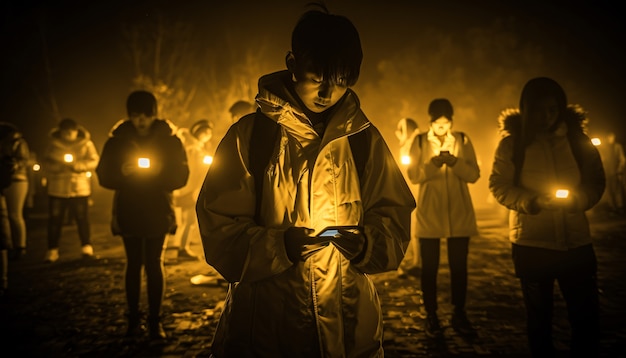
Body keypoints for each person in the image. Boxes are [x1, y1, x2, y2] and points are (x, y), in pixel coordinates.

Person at [196, 7, 415, 357]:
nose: (328, 91)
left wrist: (367, 247)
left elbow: (394, 217)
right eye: (317, 77)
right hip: (264, 325)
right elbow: (217, 228)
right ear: (292, 62)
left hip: (349, 325)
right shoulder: (251, 137)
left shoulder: (363, 140)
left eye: (342, 81)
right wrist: (279, 247)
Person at [489, 77, 605, 357]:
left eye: (552, 109)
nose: (546, 117)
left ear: (561, 108)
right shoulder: (512, 145)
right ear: (527, 110)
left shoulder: (578, 141)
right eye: (539, 110)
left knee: (585, 318)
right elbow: (499, 186)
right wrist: (532, 201)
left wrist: (579, 200)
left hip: (575, 243)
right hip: (532, 243)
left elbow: (596, 181)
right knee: (540, 321)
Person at [96, 90, 189, 340]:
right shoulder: (117, 140)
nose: (141, 121)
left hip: (158, 207)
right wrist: (121, 173)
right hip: (129, 207)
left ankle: (155, 320)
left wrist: (159, 172)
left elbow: (182, 175)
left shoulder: (170, 140)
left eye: (146, 116)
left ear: (154, 115)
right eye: (136, 116)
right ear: (129, 116)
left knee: (154, 263)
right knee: (133, 263)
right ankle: (134, 319)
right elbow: (103, 174)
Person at [406, 98, 480, 337]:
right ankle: (432, 314)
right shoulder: (419, 141)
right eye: (437, 122)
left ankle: (459, 311)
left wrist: (455, 163)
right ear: (430, 121)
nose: (441, 127)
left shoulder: (463, 140)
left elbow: (473, 175)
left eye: (445, 122)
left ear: (451, 121)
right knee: (430, 269)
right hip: (430, 214)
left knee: (459, 267)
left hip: (459, 214)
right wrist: (432, 165)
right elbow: (414, 176)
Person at [190, 103, 255, 287]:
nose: (235, 119)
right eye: (234, 116)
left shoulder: (255, 132)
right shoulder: (238, 135)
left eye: (237, 115)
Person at [41, 118, 99, 263]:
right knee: (55, 219)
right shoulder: (53, 145)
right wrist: (58, 167)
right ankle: (52, 250)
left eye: (70, 131)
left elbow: (94, 160)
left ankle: (86, 247)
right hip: (57, 188)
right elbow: (46, 163)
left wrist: (80, 165)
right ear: (59, 132)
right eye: (64, 131)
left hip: (79, 187)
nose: (67, 134)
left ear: (76, 131)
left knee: (82, 218)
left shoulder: (86, 144)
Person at [165, 119, 214, 264]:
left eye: (209, 133)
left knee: (181, 220)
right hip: (190, 188)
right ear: (198, 132)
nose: (208, 135)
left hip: (182, 188)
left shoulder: (191, 146)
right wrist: (195, 188)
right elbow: (194, 171)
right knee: (189, 220)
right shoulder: (193, 149)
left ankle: (176, 245)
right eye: (205, 132)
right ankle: (182, 248)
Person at [395, 117, 421, 278]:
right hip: (406, 189)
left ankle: (417, 261)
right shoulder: (405, 145)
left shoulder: (416, 142)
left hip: (414, 188)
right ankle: (410, 261)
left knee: (415, 228)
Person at [0, 122, 29, 260]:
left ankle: (20, 246)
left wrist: (13, 165)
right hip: (6, 179)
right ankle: (9, 245)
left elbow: (24, 160)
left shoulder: (18, 143)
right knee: (6, 216)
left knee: (14, 214)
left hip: (17, 180)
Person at [598, 132, 625, 214]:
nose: (611, 139)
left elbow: (622, 159)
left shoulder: (617, 147)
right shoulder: (604, 148)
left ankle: (620, 207)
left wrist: (619, 169)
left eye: (612, 137)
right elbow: (602, 159)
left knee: (617, 190)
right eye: (609, 137)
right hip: (607, 172)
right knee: (609, 191)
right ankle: (612, 207)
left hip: (615, 172)